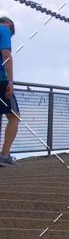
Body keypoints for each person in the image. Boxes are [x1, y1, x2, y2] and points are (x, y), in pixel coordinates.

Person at [0, 16, 19, 166]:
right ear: (9, 24)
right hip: (1, 79)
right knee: (14, 116)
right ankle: (4, 155)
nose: (10, 33)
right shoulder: (4, 29)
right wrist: (10, 81)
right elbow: (6, 55)